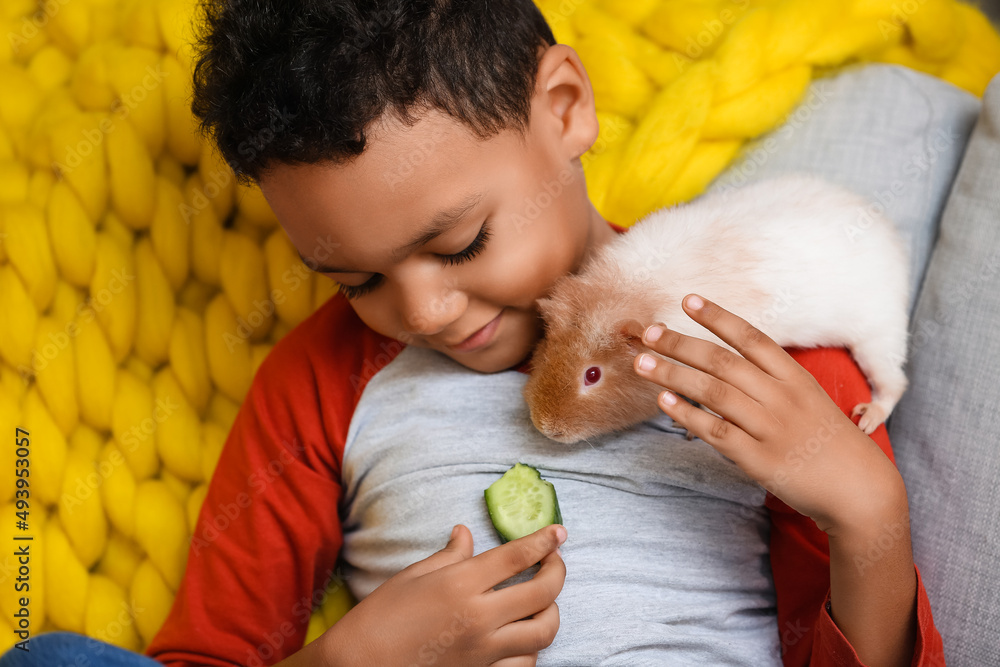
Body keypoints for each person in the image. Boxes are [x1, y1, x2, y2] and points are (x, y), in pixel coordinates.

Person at [0, 1, 944, 665]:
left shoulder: (748, 344)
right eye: (356, 279)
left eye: (460, 242)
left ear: (566, 110)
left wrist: (869, 515)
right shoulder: (323, 378)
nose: (423, 313)